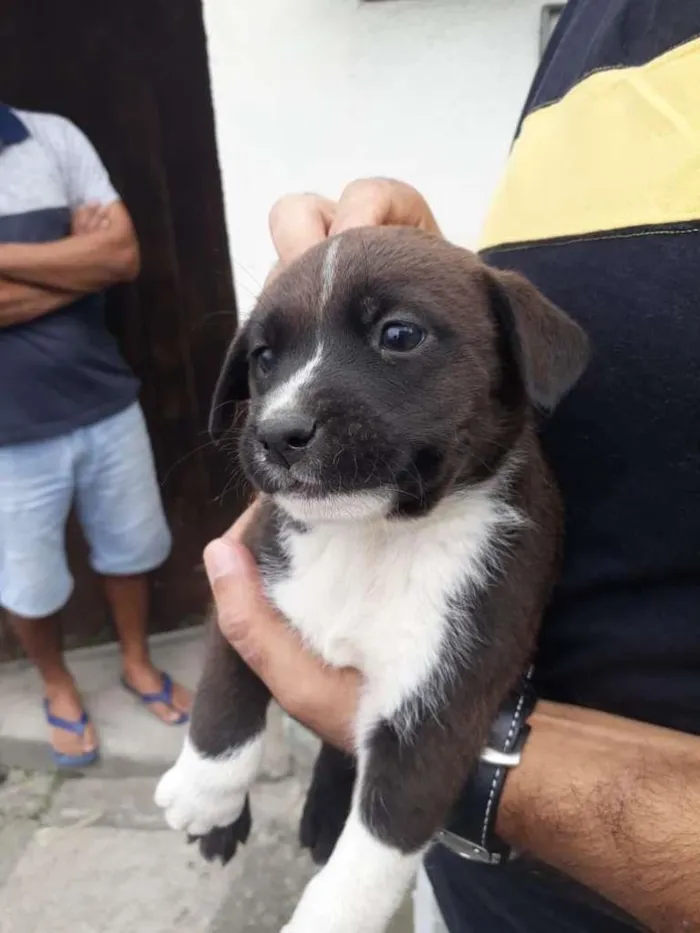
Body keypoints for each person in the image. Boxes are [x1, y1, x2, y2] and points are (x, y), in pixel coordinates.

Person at [201, 1, 700, 930]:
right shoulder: (593, 27)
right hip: (470, 880)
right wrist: (419, 298)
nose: (278, 416)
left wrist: (474, 774)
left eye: (395, 336)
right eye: (267, 363)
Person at [0, 103, 191, 769]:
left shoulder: (52, 138)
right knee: (25, 580)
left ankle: (137, 665)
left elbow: (121, 254)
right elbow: (97, 260)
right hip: (8, 437)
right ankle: (58, 682)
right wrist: (70, 262)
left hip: (105, 402)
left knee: (130, 549)